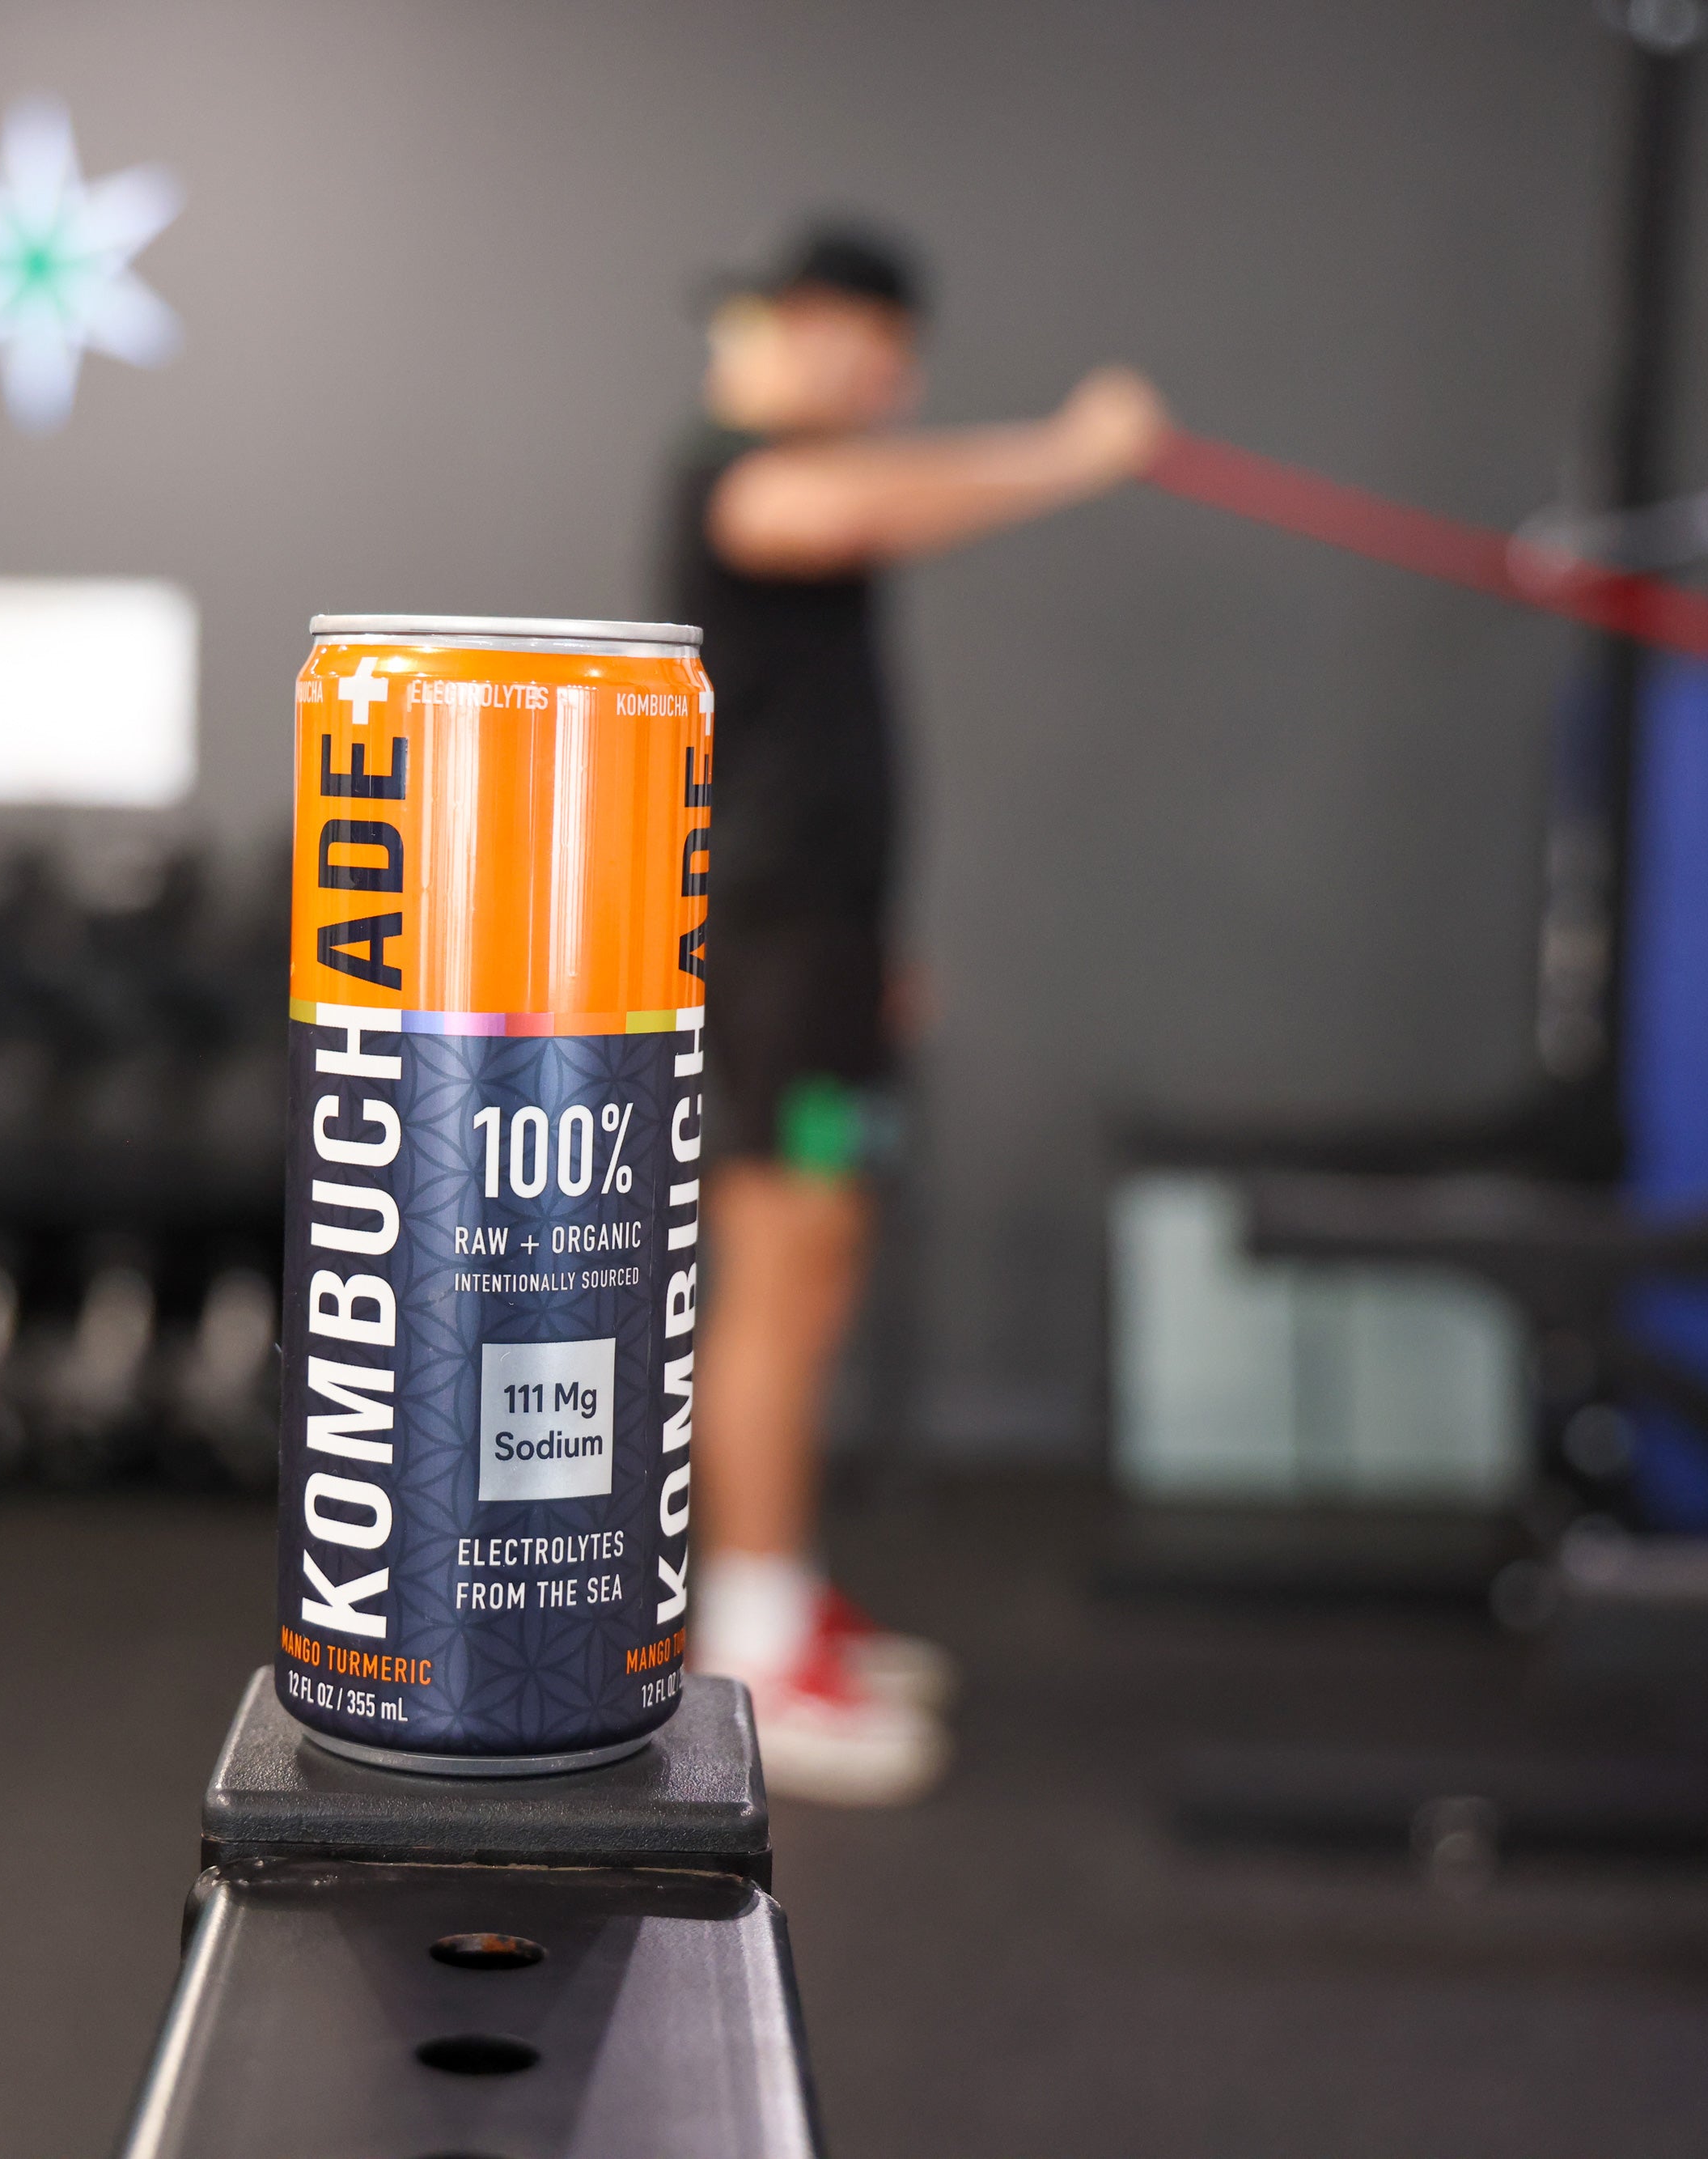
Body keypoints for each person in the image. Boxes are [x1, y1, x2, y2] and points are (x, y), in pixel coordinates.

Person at [663, 218, 1169, 1805]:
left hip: (823, 950)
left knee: (822, 1260)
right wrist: (1071, 454)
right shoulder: (733, 469)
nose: (860, 363)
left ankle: (774, 1587)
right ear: (774, 331)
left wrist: (874, 940)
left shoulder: (820, 474)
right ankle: (743, 1642)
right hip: (763, 951)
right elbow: (826, 510)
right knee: (781, 1263)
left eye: (879, 336)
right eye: (828, 327)